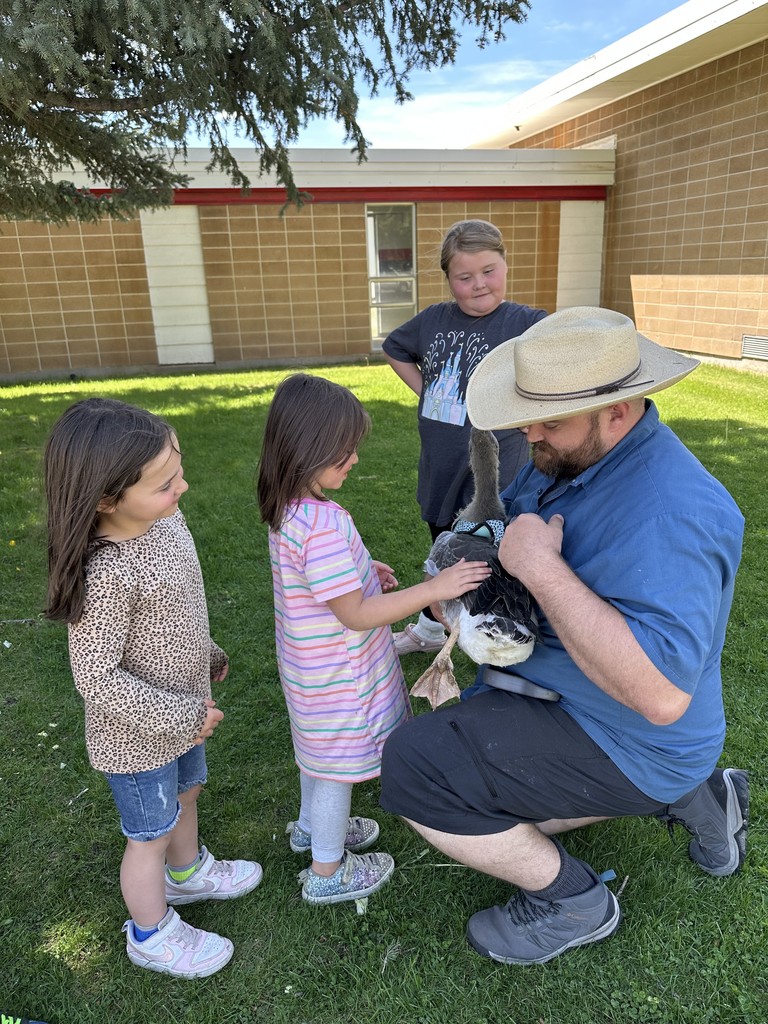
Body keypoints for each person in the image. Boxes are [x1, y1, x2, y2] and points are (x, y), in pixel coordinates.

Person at [380, 307, 749, 965]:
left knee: (418, 769)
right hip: (580, 698)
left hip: (636, 731)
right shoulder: (576, 460)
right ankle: (698, 794)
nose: (532, 433)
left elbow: (660, 695)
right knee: (477, 760)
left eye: (550, 420)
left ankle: (574, 901)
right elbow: (516, 518)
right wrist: (463, 578)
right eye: (529, 414)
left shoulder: (673, 516)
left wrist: (541, 570)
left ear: (619, 410)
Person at [44, 398, 262, 980]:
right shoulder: (106, 574)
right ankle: (150, 934)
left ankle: (187, 875)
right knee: (149, 833)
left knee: (187, 796)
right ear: (106, 500)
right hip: (138, 739)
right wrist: (180, 715)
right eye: (166, 484)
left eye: (179, 469)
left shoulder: (165, 522)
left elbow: (178, 608)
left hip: (187, 712)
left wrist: (203, 654)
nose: (183, 488)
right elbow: (95, 676)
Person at [256, 373, 490, 905]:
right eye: (344, 452)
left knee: (315, 755)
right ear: (305, 450)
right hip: (342, 678)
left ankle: (309, 828)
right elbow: (357, 615)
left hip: (308, 671)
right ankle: (328, 870)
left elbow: (323, 587)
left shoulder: (291, 510)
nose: (355, 459)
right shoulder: (320, 527)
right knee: (337, 769)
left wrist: (364, 570)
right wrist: (433, 587)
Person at [382, 219, 547, 655]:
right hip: (441, 465)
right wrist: (428, 392)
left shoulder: (526, 323)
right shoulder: (434, 319)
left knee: (489, 551)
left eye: (489, 271)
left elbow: (555, 366)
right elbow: (394, 348)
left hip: (494, 466)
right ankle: (434, 629)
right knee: (444, 545)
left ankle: (497, 632)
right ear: (449, 279)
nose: (479, 285)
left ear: (506, 265)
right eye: (464, 277)